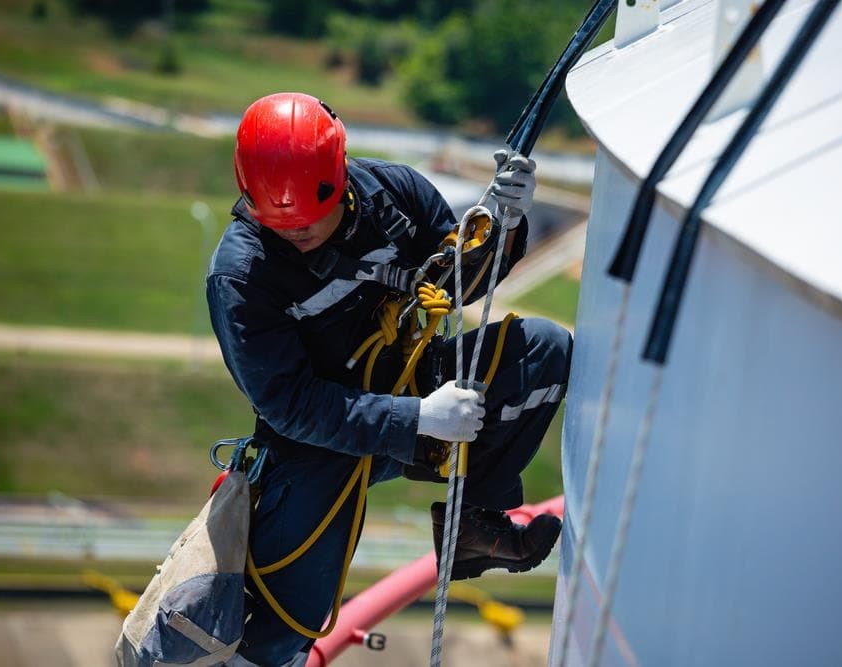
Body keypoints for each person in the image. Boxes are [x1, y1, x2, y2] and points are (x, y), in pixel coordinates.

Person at [207, 92, 571, 666]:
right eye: (281, 225)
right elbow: (288, 403)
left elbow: (457, 285)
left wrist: (504, 226)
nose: (296, 234)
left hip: (410, 382)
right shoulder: (242, 277)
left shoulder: (393, 197)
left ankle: (475, 523)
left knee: (542, 354)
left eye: (309, 221)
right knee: (288, 614)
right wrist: (418, 419)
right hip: (316, 439)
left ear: (339, 177)